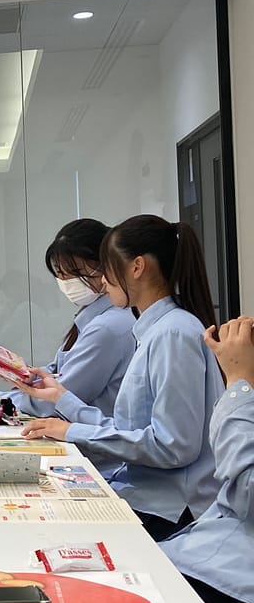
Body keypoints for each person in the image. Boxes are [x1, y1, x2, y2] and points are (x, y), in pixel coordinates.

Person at [16, 215, 222, 540]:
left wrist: (73, 430)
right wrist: (61, 398)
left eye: (107, 267)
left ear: (137, 267)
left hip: (167, 509)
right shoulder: (153, 330)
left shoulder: (173, 333)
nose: (102, 280)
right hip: (142, 491)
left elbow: (173, 446)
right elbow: (131, 428)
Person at [0, 219, 137, 427]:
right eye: (60, 274)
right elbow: (59, 371)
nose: (66, 282)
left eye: (74, 272)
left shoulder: (107, 328)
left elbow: (57, 398)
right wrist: (27, 377)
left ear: (105, 266)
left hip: (91, 437)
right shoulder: (94, 318)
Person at [161, 316, 254, 603]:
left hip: (228, 584)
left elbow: (247, 488)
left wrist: (240, 384)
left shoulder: (174, 331)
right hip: (201, 551)